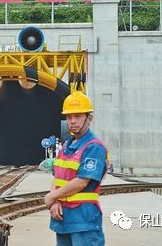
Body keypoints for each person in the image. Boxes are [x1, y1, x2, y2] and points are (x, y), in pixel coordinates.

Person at [44, 91, 108, 246]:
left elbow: (82, 181)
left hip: (84, 222)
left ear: (89, 118)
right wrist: (54, 202)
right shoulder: (66, 146)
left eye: (78, 116)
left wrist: (52, 197)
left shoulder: (93, 147)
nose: (72, 121)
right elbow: (57, 178)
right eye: (69, 117)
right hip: (63, 219)